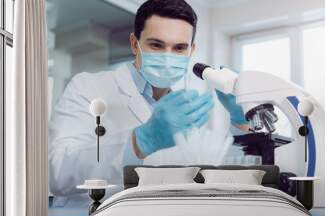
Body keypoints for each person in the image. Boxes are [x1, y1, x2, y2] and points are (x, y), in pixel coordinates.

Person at [49, 0, 248, 199]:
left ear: (191, 51)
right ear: (135, 44)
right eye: (156, 45)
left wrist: (240, 122)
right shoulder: (88, 87)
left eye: (179, 48)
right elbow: (58, 172)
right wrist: (139, 142)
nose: (168, 57)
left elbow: (214, 173)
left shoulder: (185, 109)